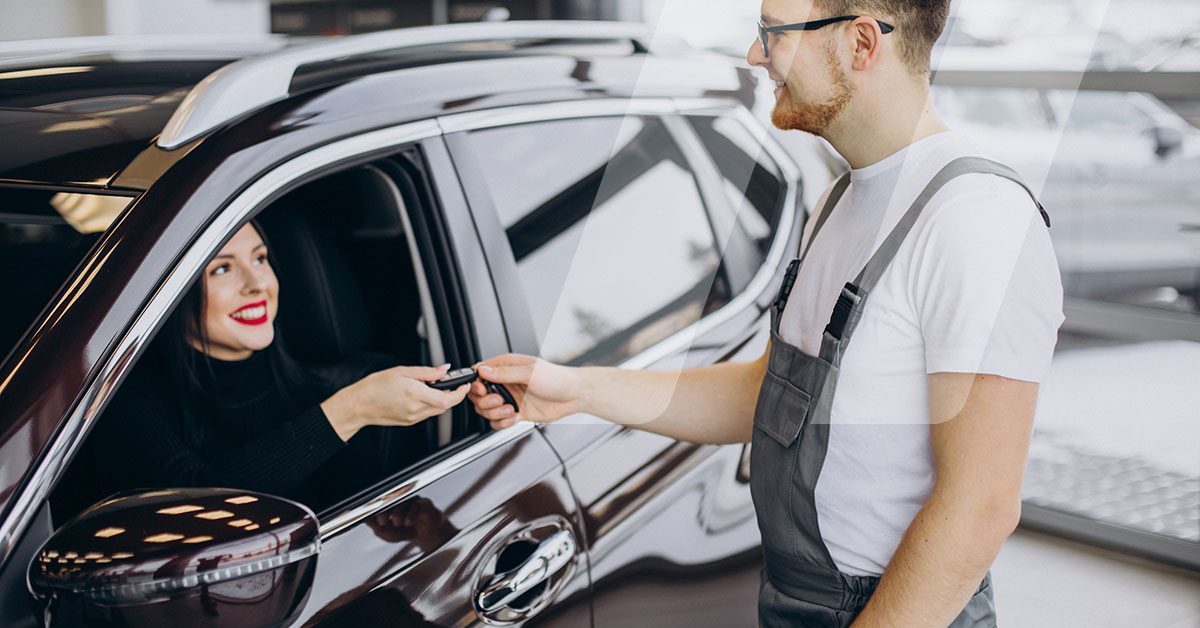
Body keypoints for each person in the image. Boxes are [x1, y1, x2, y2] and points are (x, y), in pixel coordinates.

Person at [469, 1, 1064, 626]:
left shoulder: (977, 219)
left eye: (773, 34)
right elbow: (770, 393)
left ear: (862, 43)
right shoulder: (841, 199)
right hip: (792, 597)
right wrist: (575, 390)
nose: (756, 55)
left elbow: (981, 507)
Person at [85, 221, 469, 510]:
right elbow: (195, 504)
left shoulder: (325, 385)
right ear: (169, 293)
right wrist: (351, 409)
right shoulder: (127, 403)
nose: (257, 284)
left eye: (260, 258)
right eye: (222, 268)